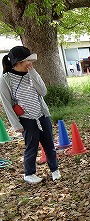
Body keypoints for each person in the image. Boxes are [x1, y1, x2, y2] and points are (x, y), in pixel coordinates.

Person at [0, 46, 60, 184]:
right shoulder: (5, 79)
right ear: (17, 62)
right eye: (27, 60)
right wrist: (16, 124)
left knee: (49, 144)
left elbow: (43, 92)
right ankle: (29, 174)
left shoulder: (32, 73)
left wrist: (33, 73)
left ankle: (55, 170)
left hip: (42, 115)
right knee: (31, 146)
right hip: (26, 119)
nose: (30, 63)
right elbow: (7, 104)